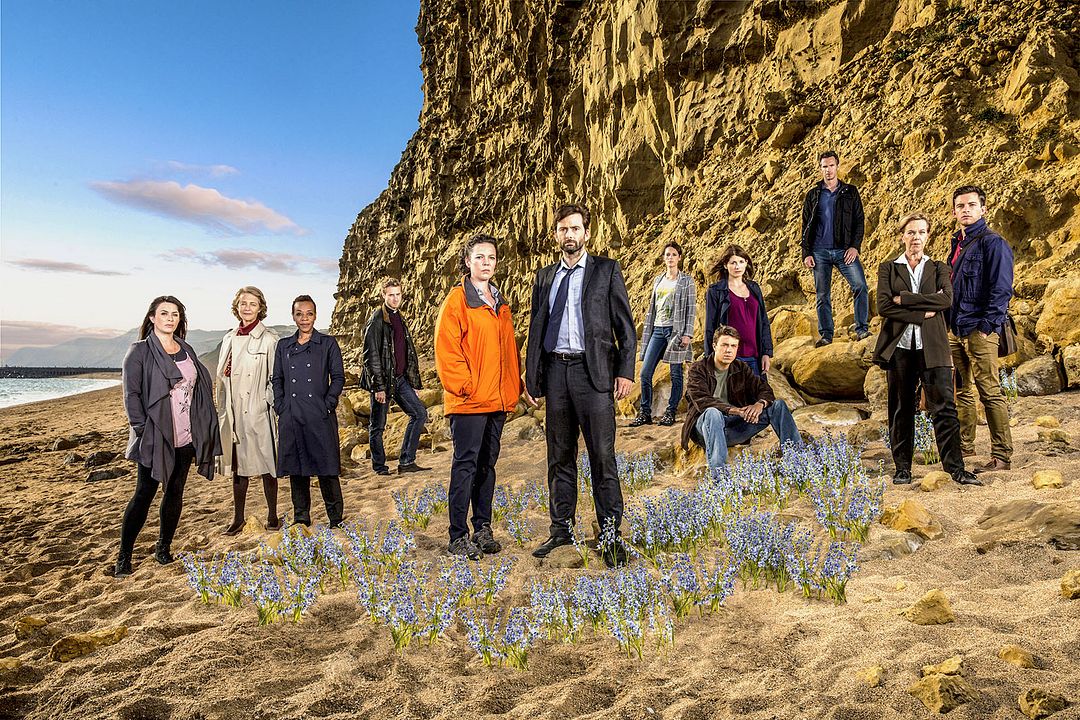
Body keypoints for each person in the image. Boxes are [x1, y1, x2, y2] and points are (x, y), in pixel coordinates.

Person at [524, 203, 636, 568]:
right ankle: (561, 530)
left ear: (586, 233)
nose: (569, 235)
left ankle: (609, 533)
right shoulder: (544, 278)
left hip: (594, 375)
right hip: (556, 373)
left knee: (602, 455)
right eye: (563, 229)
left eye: (575, 229)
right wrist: (532, 377)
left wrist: (625, 371)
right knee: (559, 455)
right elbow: (536, 329)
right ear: (556, 234)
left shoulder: (606, 270)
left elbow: (625, 327)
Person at [116, 296, 222, 578]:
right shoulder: (138, 352)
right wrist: (142, 430)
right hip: (155, 435)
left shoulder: (186, 349)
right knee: (144, 493)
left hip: (185, 435)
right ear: (152, 317)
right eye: (164, 313)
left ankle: (163, 548)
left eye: (175, 314)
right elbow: (131, 396)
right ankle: (124, 556)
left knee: (175, 491)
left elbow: (197, 389)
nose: (170, 318)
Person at [434, 235, 525, 560]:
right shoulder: (458, 300)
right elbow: (446, 349)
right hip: (470, 402)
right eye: (479, 257)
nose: (486, 262)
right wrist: (466, 386)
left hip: (497, 401)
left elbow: (508, 351)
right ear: (468, 262)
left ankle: (482, 528)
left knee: (487, 466)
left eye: (491, 257)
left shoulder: (500, 303)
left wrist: (515, 386)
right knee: (465, 466)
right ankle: (458, 536)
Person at [873, 213, 981, 486]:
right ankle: (902, 469)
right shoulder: (889, 268)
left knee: (944, 407)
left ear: (927, 236)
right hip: (899, 348)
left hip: (933, 347)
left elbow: (946, 300)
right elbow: (884, 307)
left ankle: (956, 469)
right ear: (902, 236)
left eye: (921, 233)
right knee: (900, 408)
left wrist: (906, 300)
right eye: (911, 233)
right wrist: (923, 313)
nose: (916, 238)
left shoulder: (939, 268)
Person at [947, 185, 1014, 473]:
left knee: (989, 391)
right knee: (961, 391)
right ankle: (966, 445)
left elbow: (1002, 289)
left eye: (972, 205)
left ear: (983, 209)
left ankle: (1001, 456)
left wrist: (988, 327)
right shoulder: (956, 243)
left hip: (979, 329)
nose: (966, 210)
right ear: (954, 211)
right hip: (955, 328)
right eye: (960, 206)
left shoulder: (993, 243)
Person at [681, 326, 801, 472]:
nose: (729, 350)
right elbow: (702, 400)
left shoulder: (740, 367)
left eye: (733, 346)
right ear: (714, 346)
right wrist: (735, 411)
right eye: (724, 345)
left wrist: (759, 404)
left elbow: (764, 389)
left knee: (778, 406)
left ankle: (797, 462)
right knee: (713, 413)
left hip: (734, 428)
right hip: (705, 429)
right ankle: (719, 477)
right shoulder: (698, 369)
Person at [272, 295, 346, 527]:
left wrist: (329, 403)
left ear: (315, 315)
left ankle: (335, 518)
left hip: (319, 414)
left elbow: (338, 377)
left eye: (309, 313)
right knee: (298, 469)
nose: (304, 319)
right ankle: (301, 517)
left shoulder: (327, 344)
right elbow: (278, 379)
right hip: (292, 415)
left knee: (327, 469)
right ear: (293, 316)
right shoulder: (283, 346)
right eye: (299, 314)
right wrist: (281, 406)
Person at [215, 286, 281, 535]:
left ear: (260, 308)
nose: (247, 308)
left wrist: (266, 403)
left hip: (258, 410)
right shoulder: (229, 338)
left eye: (252, 304)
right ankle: (238, 517)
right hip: (233, 410)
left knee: (267, 464)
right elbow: (223, 378)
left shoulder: (270, 339)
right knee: (238, 466)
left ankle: (273, 515)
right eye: (243, 303)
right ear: (237, 307)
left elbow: (275, 378)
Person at [800, 150, 869, 346]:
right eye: (824, 166)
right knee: (822, 295)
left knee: (860, 286)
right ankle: (826, 335)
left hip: (844, 250)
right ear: (820, 168)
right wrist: (806, 253)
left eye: (831, 165)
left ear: (837, 166)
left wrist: (855, 247)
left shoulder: (850, 192)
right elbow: (806, 225)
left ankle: (862, 329)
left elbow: (859, 221)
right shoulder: (813, 195)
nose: (828, 170)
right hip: (819, 252)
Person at [362, 277, 429, 476]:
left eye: (398, 294)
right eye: (390, 295)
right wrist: (378, 387)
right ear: (383, 295)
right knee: (377, 426)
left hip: (399, 379)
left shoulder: (399, 316)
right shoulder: (376, 320)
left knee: (419, 414)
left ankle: (407, 461)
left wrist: (413, 382)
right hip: (383, 381)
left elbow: (407, 352)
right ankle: (379, 467)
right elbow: (370, 356)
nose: (394, 299)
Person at [629, 241, 696, 427]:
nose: (670, 258)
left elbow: (691, 309)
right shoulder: (658, 280)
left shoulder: (686, 281)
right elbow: (652, 308)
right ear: (663, 257)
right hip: (657, 330)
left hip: (675, 331)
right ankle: (645, 413)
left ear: (679, 257)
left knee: (675, 373)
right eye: (667, 254)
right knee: (645, 373)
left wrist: (687, 333)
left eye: (674, 254)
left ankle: (670, 412)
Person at [702, 244, 774, 376]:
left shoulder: (754, 288)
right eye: (733, 262)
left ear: (746, 263)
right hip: (729, 358)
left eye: (741, 262)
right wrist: (710, 359)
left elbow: (763, 322)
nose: (737, 266)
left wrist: (766, 353)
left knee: (760, 396)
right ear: (725, 265)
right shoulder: (716, 291)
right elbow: (710, 327)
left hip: (754, 357)